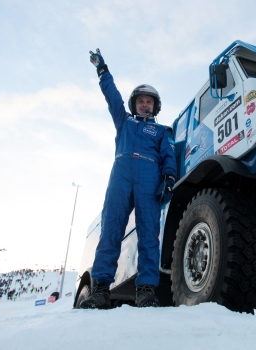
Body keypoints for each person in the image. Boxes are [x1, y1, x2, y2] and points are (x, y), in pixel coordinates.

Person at [80, 48, 176, 309]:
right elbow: (112, 97)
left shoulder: (161, 131)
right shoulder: (124, 123)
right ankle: (100, 290)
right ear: (134, 104)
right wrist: (103, 71)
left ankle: (145, 291)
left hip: (148, 179)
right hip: (121, 178)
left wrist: (168, 177)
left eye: (149, 102)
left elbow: (169, 155)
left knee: (148, 236)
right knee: (111, 231)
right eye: (140, 101)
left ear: (155, 107)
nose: (144, 104)